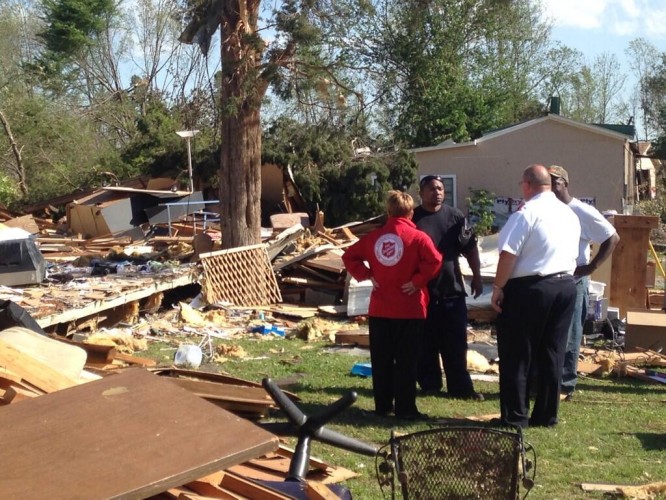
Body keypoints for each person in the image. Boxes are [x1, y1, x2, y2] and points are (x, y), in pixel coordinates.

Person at [491, 165, 580, 429]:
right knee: (552, 353)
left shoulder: (526, 213)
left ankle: (515, 416)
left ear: (528, 185)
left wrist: (498, 287)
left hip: (532, 288)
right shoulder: (568, 213)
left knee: (517, 353)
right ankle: (546, 415)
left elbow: (508, 254)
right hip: (565, 284)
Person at [342, 190, 442, 420]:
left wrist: (367, 275)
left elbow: (349, 256)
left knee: (382, 360)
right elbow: (435, 260)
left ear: (388, 211)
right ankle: (406, 409)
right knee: (407, 361)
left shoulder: (374, 237)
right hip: (410, 309)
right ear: (411, 212)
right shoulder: (419, 238)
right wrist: (417, 282)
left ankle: (383, 406)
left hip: (381, 308)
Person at [548, 165, 620, 400]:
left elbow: (612, 237)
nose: (551, 187)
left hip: (574, 280)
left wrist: (591, 267)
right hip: (551, 279)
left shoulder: (581, 210)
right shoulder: (547, 210)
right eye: (546, 182)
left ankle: (566, 384)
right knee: (552, 331)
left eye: (555, 182)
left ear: (565, 184)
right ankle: (548, 380)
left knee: (570, 332)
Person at [413, 175, 484, 400]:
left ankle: (460, 388)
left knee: (455, 343)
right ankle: (429, 384)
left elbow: (470, 248)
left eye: (441, 189)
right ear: (421, 192)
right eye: (432, 189)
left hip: (451, 291)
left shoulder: (455, 217)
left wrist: (477, 277)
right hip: (422, 292)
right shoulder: (413, 217)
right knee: (425, 343)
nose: (438, 192)